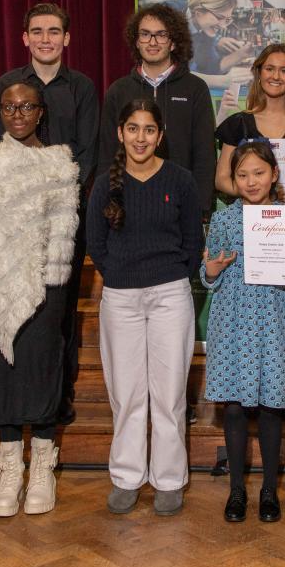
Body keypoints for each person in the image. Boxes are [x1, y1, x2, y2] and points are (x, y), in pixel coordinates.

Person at [0, 81, 79, 517]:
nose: (18, 113)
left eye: (27, 106)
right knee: (3, 372)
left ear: (40, 112)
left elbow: (65, 234)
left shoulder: (60, 164)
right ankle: (9, 467)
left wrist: (49, 288)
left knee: (43, 369)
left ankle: (42, 466)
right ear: (0, 111)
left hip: (47, 287)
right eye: (9, 106)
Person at [88, 99, 204, 517]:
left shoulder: (182, 180)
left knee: (169, 394)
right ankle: (126, 476)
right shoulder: (106, 183)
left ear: (161, 135)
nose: (141, 137)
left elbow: (193, 241)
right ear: (120, 133)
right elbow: (96, 244)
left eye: (149, 130)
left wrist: (172, 276)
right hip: (121, 298)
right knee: (127, 393)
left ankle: (169, 480)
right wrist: (120, 274)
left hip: (171, 295)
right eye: (133, 129)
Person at [0, 3, 98, 425]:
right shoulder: (9, 84)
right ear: (25, 38)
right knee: (17, 303)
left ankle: (59, 395)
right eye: (38, 31)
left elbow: (89, 150)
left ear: (67, 39)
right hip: (16, 220)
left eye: (54, 31)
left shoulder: (82, 87)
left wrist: (57, 196)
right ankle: (17, 393)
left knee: (60, 311)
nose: (46, 39)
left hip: (64, 217)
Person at [201, 141, 285, 523]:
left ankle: (268, 490)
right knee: (234, 408)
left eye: (259, 173)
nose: (251, 181)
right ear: (233, 179)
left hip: (273, 323)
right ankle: (236, 491)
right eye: (243, 174)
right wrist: (212, 271)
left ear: (275, 174)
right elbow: (208, 276)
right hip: (232, 324)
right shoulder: (223, 220)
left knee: (270, 409)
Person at [98, 3, 217, 216]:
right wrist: (107, 204)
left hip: (181, 206)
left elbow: (204, 156)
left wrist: (201, 209)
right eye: (145, 34)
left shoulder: (195, 89)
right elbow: (107, 153)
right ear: (136, 41)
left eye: (161, 35)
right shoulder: (118, 90)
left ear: (173, 42)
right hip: (128, 205)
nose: (152, 42)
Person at [213, 44, 285, 204]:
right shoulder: (238, 124)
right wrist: (252, 191)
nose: (276, 76)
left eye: (284, 71)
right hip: (249, 218)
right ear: (259, 73)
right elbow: (221, 179)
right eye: (269, 69)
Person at [186, 0, 255, 92]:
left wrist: (239, 55)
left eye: (227, 20)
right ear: (199, 12)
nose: (223, 26)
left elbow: (209, 68)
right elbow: (167, 73)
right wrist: (221, 81)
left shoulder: (204, 30)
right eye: (219, 17)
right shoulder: (170, 22)